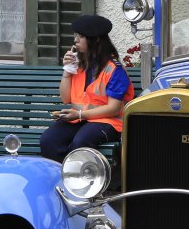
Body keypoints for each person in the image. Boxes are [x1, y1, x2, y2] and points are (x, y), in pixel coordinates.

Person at [40, 13, 135, 161]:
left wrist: (80, 115)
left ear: (96, 40)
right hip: (80, 119)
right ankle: (61, 173)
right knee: (49, 140)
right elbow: (65, 98)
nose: (75, 40)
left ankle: (78, 175)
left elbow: (113, 109)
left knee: (80, 143)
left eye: (81, 36)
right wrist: (67, 71)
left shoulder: (114, 69)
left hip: (108, 121)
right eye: (76, 35)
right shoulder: (79, 64)